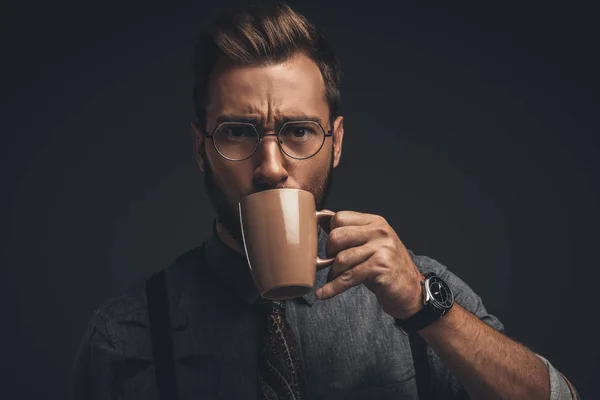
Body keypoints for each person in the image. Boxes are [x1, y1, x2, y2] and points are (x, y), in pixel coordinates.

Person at [71, 3, 579, 399]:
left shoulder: (417, 288)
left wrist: (425, 307)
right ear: (200, 148)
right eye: (236, 132)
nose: (270, 166)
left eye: (298, 131)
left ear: (336, 142)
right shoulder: (126, 331)